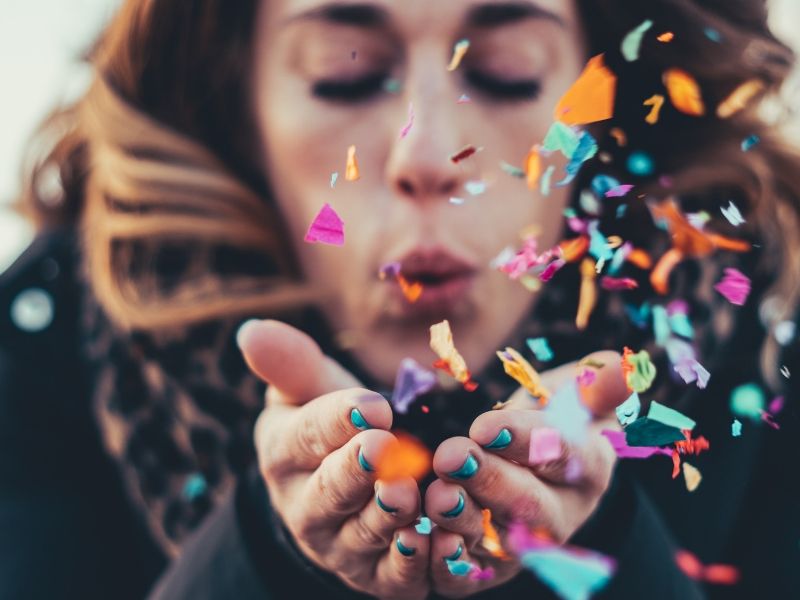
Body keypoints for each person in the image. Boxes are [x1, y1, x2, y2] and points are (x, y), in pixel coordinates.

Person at [1, 0, 798, 598]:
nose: (426, 155)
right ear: (240, 112)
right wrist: (264, 558)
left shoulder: (765, 369)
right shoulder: (40, 383)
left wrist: (607, 549)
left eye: (504, 69)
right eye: (343, 74)